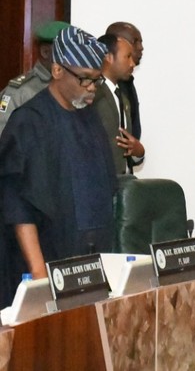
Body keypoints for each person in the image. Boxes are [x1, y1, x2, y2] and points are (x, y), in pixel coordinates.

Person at [0, 26, 116, 307]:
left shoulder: (90, 118)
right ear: (57, 71)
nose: (91, 89)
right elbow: (18, 208)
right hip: (45, 271)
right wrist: (39, 274)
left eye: (97, 81)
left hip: (89, 269)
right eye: (84, 80)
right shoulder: (29, 122)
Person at [0, 20, 70, 136]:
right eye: (66, 52)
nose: (72, 58)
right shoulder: (20, 92)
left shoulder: (74, 86)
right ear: (45, 52)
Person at [95, 33, 144, 174]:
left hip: (125, 185)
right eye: (127, 57)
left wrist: (138, 151)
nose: (132, 64)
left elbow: (125, 147)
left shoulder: (122, 96)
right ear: (108, 57)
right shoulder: (93, 95)